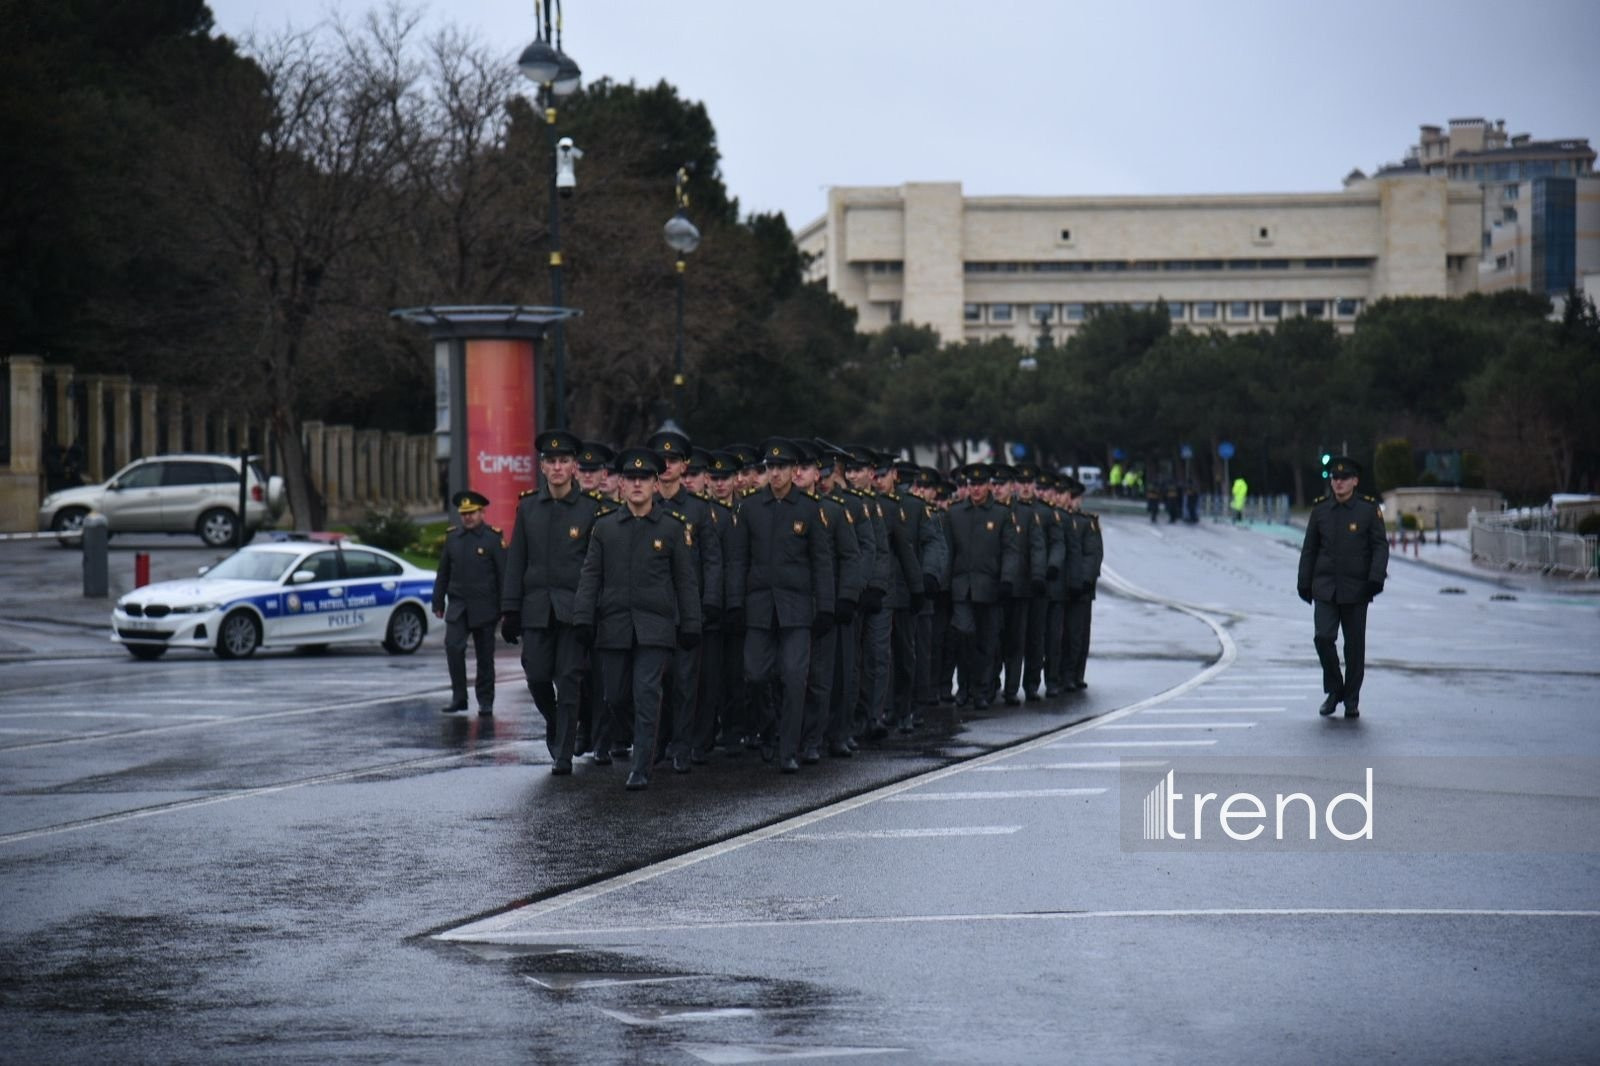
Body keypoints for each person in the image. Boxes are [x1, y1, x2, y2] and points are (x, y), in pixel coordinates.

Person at [574, 447, 701, 790]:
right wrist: (583, 618)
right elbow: (590, 576)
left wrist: (691, 624)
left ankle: (641, 766)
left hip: (655, 627)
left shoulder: (672, 528)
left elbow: (685, 581)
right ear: (622, 485)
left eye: (644, 478)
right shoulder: (605, 528)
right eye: (631, 478)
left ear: (655, 484)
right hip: (614, 624)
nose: (637, 484)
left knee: (646, 692)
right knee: (615, 697)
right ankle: (650, 737)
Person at [501, 430, 612, 774]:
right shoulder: (529, 507)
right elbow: (516, 560)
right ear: (543, 467)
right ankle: (556, 723)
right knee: (536, 676)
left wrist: (591, 612)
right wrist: (510, 609)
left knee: (568, 680)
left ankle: (563, 753)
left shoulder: (590, 509)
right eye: (552, 461)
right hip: (536, 609)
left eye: (564, 461)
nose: (558, 467)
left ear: (574, 466)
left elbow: (597, 568)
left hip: (573, 610)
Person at [727, 437, 835, 773]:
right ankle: (770, 728)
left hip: (797, 607)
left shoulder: (808, 508)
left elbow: (821, 561)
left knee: (794, 678)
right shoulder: (750, 508)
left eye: (782, 467)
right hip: (759, 605)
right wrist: (734, 603)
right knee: (755, 675)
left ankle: (789, 749)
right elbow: (738, 560)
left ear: (793, 470)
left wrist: (826, 606)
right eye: (770, 467)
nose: (775, 473)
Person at [1297, 455, 1388, 719]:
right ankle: (1335, 689)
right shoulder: (1321, 510)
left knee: (1354, 647)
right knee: (1323, 638)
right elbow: (1310, 548)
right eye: (1335, 478)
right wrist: (1304, 582)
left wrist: (1375, 579)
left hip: (1356, 588)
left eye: (1344, 478)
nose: (1338, 482)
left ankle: (1351, 698)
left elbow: (1380, 546)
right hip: (1325, 587)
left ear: (1355, 481)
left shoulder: (1368, 510)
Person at [433, 490, 505, 717]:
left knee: (485, 657)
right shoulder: (453, 538)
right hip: (458, 606)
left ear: (482, 513)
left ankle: (485, 700)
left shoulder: (493, 538)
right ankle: (459, 697)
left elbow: (503, 575)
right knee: (453, 648)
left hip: (485, 607)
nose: (468, 517)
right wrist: (438, 601)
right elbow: (443, 572)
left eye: (472, 513)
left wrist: (506, 607)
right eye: (464, 514)